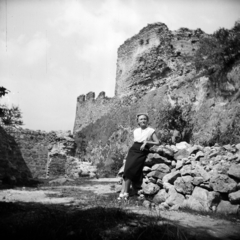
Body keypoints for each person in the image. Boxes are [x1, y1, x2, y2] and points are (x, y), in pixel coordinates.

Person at [118, 113, 159, 200]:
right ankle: (123, 192)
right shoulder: (135, 131)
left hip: (142, 150)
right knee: (127, 169)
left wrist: (147, 142)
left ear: (147, 121)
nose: (143, 120)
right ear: (138, 122)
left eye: (145, 119)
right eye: (141, 119)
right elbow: (135, 142)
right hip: (133, 149)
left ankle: (125, 193)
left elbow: (157, 142)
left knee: (130, 170)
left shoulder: (151, 130)